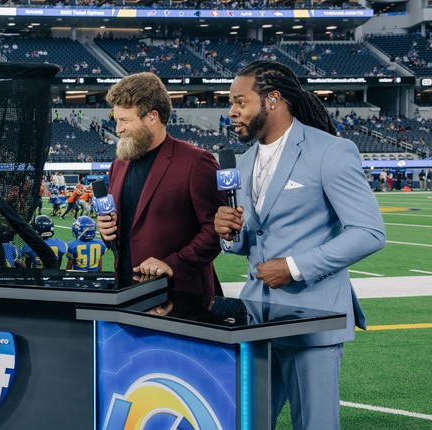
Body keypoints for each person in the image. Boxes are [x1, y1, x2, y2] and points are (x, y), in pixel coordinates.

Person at [213, 60, 386, 430]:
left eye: (240, 101)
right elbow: (248, 240)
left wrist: (293, 267)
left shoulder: (330, 151)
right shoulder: (240, 164)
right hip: (257, 319)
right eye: (231, 102)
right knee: (247, 423)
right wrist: (227, 233)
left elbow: (369, 231)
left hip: (314, 318)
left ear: (273, 99)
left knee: (314, 425)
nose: (232, 111)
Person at [97, 72, 226, 317]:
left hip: (180, 298)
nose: (118, 129)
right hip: (126, 292)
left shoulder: (197, 161)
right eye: (116, 119)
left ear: (152, 117)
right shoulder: (119, 165)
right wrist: (107, 232)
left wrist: (172, 263)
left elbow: (216, 230)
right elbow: (126, 233)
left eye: (125, 120)